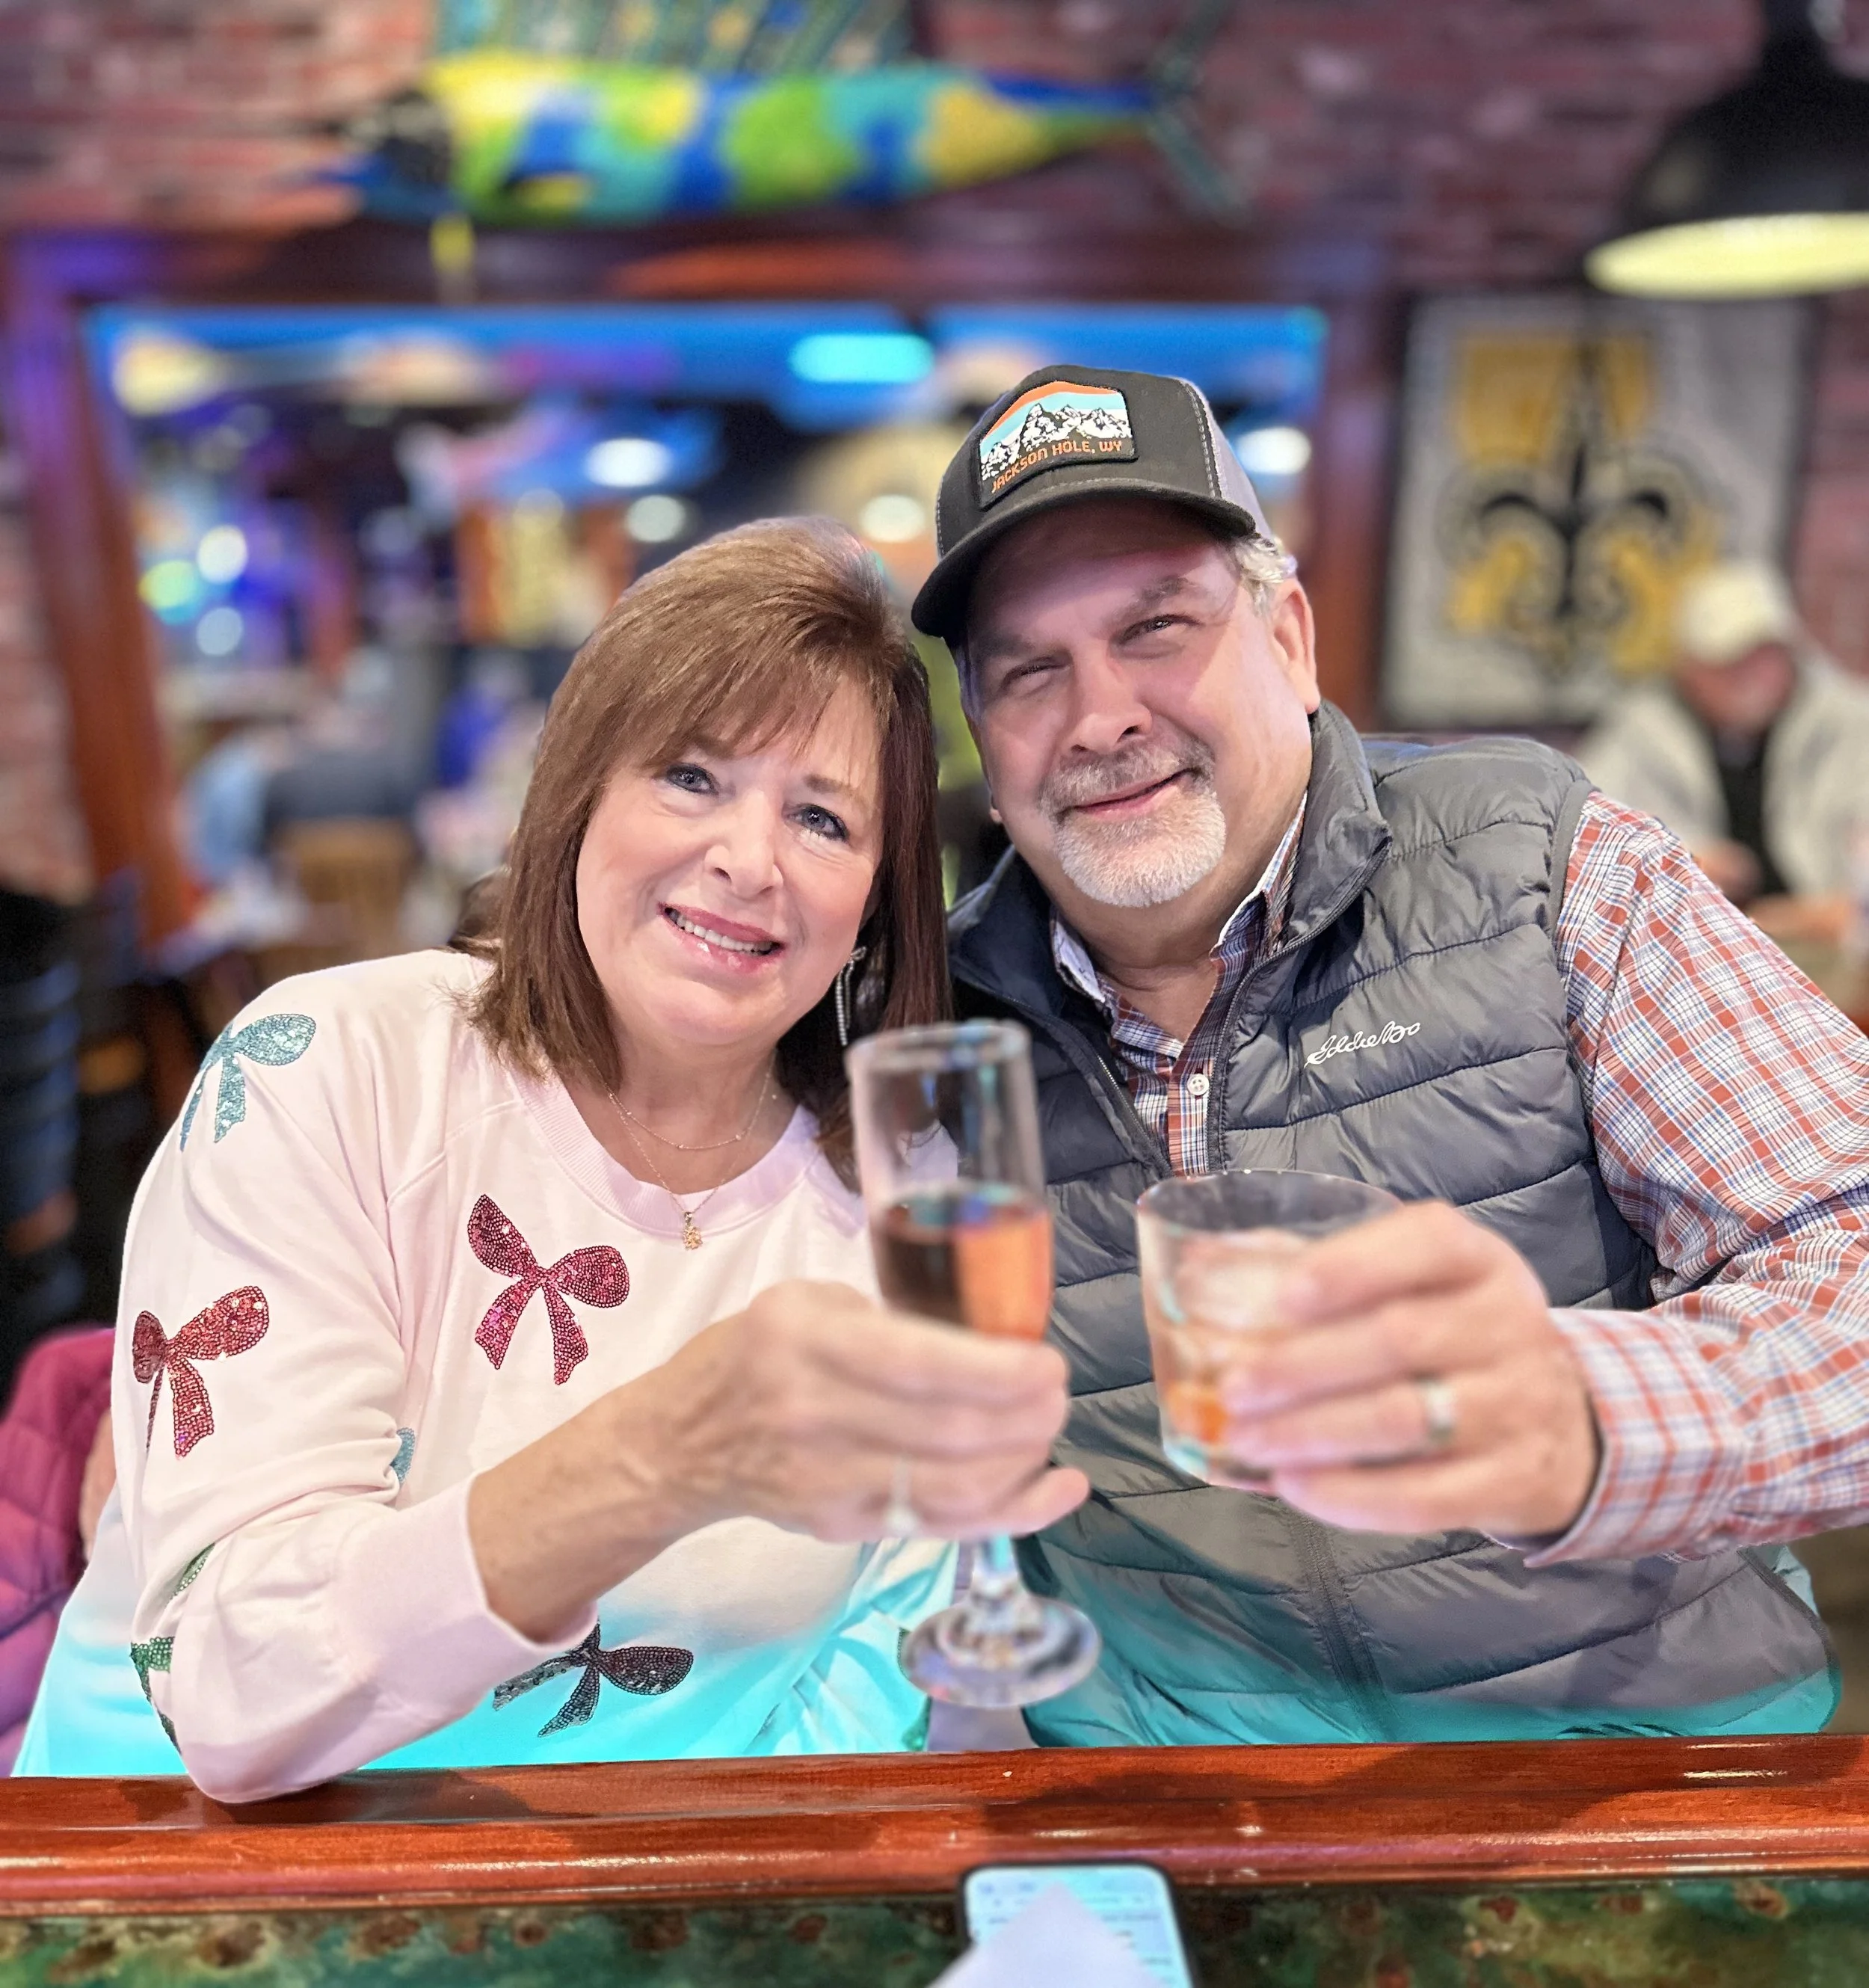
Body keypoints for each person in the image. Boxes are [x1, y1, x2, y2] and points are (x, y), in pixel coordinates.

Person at [17, 518, 1085, 1799]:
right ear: (577, 794)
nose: (750, 860)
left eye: (822, 816)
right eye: (691, 776)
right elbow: (231, 1690)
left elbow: (871, 1694)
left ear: (875, 896)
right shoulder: (333, 1068)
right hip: (192, 1896)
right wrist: (658, 1457)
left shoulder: (896, 1195)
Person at [909, 365, 1869, 1747]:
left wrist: (1588, 1423)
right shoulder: (929, 1022)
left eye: (1156, 627)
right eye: (1029, 670)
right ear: (988, 749)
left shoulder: (1546, 864)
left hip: (1630, 1787)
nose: (1101, 713)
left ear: (1289, 639)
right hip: (1175, 1818)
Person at [1579, 558, 1869, 932]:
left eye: (1766, 654)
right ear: (1689, 667)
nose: (1751, 674)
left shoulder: (1852, 723)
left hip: (1832, 947)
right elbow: (1586, 838)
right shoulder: (1639, 732)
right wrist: (1676, 862)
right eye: (1728, 658)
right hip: (1687, 945)